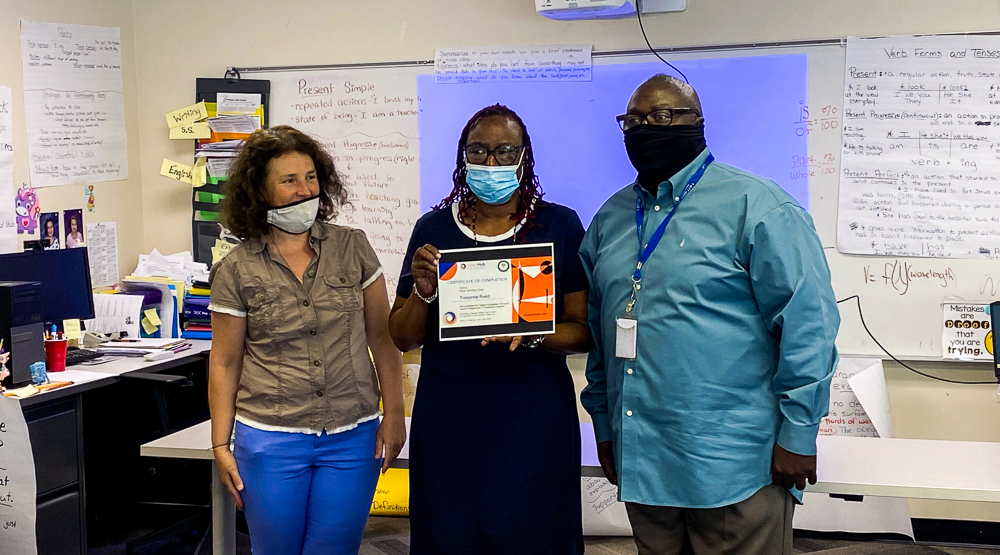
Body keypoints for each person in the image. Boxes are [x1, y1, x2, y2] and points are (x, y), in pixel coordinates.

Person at [580, 74, 840, 555]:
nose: (644, 129)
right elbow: (600, 334)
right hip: (644, 458)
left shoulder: (759, 207)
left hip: (736, 465)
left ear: (697, 123)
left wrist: (799, 433)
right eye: (632, 120)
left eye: (660, 117)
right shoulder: (610, 219)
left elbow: (809, 327)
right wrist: (605, 426)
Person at [389, 104, 591, 554]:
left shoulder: (559, 225)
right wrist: (423, 292)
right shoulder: (434, 228)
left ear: (525, 157)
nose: (491, 163)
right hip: (450, 418)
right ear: (463, 157)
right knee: (450, 532)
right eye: (478, 150)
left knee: (535, 534)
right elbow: (402, 337)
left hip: (534, 420)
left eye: (504, 151)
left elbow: (585, 331)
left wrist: (534, 331)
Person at [208, 125, 406, 555]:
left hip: (351, 435)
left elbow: (382, 338)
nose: (305, 189)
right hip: (270, 438)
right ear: (260, 191)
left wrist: (394, 415)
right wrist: (220, 445)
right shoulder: (236, 268)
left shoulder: (353, 247)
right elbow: (224, 362)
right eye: (289, 180)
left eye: (311, 176)